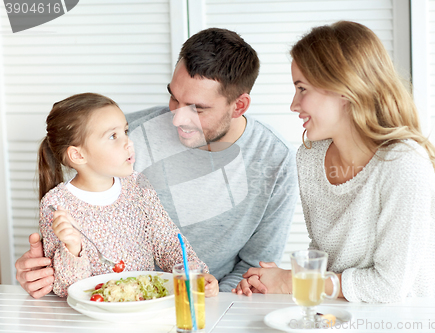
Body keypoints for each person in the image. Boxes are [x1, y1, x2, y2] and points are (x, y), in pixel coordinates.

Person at [16, 28, 299, 297]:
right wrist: (42, 271)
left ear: (239, 106)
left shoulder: (275, 161)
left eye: (197, 108)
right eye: (174, 98)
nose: (177, 118)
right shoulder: (129, 133)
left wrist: (202, 300)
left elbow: (254, 268)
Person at [233, 21, 435, 303]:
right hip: (341, 315)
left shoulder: (403, 164)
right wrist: (272, 281)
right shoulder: (311, 156)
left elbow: (389, 287)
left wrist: (294, 282)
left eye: (302, 89)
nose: (293, 104)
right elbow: (327, 260)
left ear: (343, 89)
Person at [36, 92, 218, 297]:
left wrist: (193, 274)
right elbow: (64, 289)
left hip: (145, 305)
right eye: (113, 136)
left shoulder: (137, 185)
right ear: (78, 155)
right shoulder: (56, 204)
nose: (128, 143)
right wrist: (73, 249)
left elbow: (166, 242)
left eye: (125, 131)